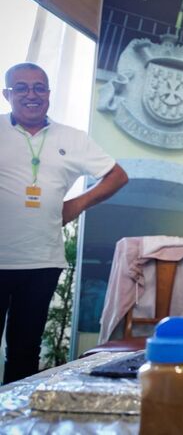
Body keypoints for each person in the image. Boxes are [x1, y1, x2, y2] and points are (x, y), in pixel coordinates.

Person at [0, 62, 128, 383]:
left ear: (48, 94)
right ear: (7, 94)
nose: (32, 94)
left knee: (25, 350)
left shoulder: (72, 138)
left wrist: (77, 204)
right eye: (22, 88)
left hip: (42, 262)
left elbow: (117, 176)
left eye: (39, 87)